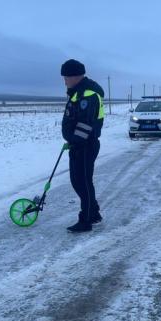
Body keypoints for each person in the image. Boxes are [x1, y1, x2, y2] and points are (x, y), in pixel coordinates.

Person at [60, 59, 104, 233]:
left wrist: (74, 141)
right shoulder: (77, 93)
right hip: (78, 144)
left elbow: (85, 125)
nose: (64, 80)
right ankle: (93, 213)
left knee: (83, 182)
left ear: (76, 76)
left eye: (66, 77)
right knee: (78, 181)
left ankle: (86, 220)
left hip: (85, 145)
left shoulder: (88, 95)